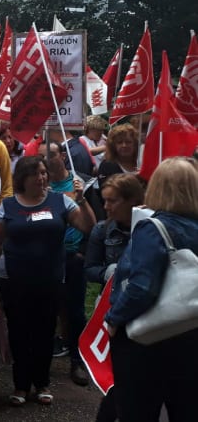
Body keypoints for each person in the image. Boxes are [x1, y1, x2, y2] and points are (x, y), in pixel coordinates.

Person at [0, 156, 94, 407]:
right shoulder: (9, 205)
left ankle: (42, 382)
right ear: (23, 178)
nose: (42, 178)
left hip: (50, 279)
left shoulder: (61, 201)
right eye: (36, 173)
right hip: (15, 280)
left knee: (45, 332)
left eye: (44, 173)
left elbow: (87, 226)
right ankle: (21, 385)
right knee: (19, 332)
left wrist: (83, 200)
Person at [105, 157, 198, 422]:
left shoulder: (152, 228)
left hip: (147, 339)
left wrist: (114, 319)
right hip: (192, 334)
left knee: (138, 409)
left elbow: (141, 287)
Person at [84, 173, 145, 422]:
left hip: (144, 312)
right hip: (112, 309)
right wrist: (108, 273)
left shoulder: (150, 228)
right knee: (115, 375)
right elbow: (89, 268)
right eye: (104, 200)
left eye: (113, 201)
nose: (106, 207)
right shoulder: (102, 229)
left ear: (132, 200)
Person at [40, 140, 94, 386]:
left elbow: (95, 224)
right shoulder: (39, 185)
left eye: (51, 155)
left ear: (62, 155)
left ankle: (77, 359)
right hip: (47, 258)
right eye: (42, 157)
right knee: (47, 309)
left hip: (74, 257)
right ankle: (42, 366)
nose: (47, 161)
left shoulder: (81, 182)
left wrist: (80, 198)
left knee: (75, 312)